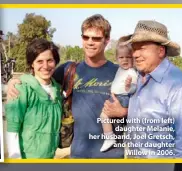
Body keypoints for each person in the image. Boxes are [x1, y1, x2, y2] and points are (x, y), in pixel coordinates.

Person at [7, 14, 128, 158]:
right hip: (78, 154)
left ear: (107, 40)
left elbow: (142, 108)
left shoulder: (120, 73)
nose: (90, 42)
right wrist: (14, 82)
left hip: (112, 156)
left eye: (96, 38)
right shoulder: (68, 70)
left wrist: (124, 112)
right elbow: (41, 77)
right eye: (86, 37)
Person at [122, 20, 182, 158]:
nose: (135, 54)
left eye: (142, 48)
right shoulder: (137, 76)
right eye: (134, 48)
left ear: (161, 51)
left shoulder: (178, 85)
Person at [5, 38, 63, 159]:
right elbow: (12, 130)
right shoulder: (22, 88)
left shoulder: (57, 89)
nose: (45, 66)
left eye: (50, 60)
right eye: (39, 61)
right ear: (32, 63)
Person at [100, 37, 138, 152]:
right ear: (116, 58)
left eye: (128, 57)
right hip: (118, 96)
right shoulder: (120, 69)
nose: (125, 60)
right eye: (121, 57)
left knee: (104, 115)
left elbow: (134, 88)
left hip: (123, 97)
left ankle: (110, 138)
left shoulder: (131, 72)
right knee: (117, 122)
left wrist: (128, 87)